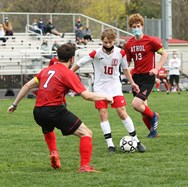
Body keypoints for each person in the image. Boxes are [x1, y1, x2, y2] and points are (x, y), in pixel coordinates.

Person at [7, 43, 113, 172]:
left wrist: (14, 104)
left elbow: (27, 86)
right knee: (86, 133)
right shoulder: (67, 73)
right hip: (54, 110)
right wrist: (105, 97)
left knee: (48, 127)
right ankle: (85, 166)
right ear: (72, 59)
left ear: (58, 56)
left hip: (38, 111)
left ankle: (54, 152)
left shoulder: (46, 70)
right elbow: (86, 95)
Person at [71, 28, 146, 153]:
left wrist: (132, 83)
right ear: (102, 41)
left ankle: (136, 141)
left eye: (110, 43)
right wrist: (68, 74)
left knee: (122, 112)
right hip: (100, 88)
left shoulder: (120, 53)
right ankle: (110, 144)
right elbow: (79, 63)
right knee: (103, 113)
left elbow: (125, 69)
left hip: (115, 86)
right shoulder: (96, 53)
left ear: (114, 41)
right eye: (105, 43)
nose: (108, 45)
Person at [124, 13, 168, 138]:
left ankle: (154, 116)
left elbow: (164, 54)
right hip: (136, 78)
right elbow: (126, 62)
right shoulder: (129, 44)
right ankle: (153, 132)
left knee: (136, 104)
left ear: (142, 26)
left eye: (138, 25)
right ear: (131, 28)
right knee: (143, 110)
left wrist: (157, 69)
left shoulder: (150, 41)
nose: (136, 28)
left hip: (148, 77)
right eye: (133, 26)